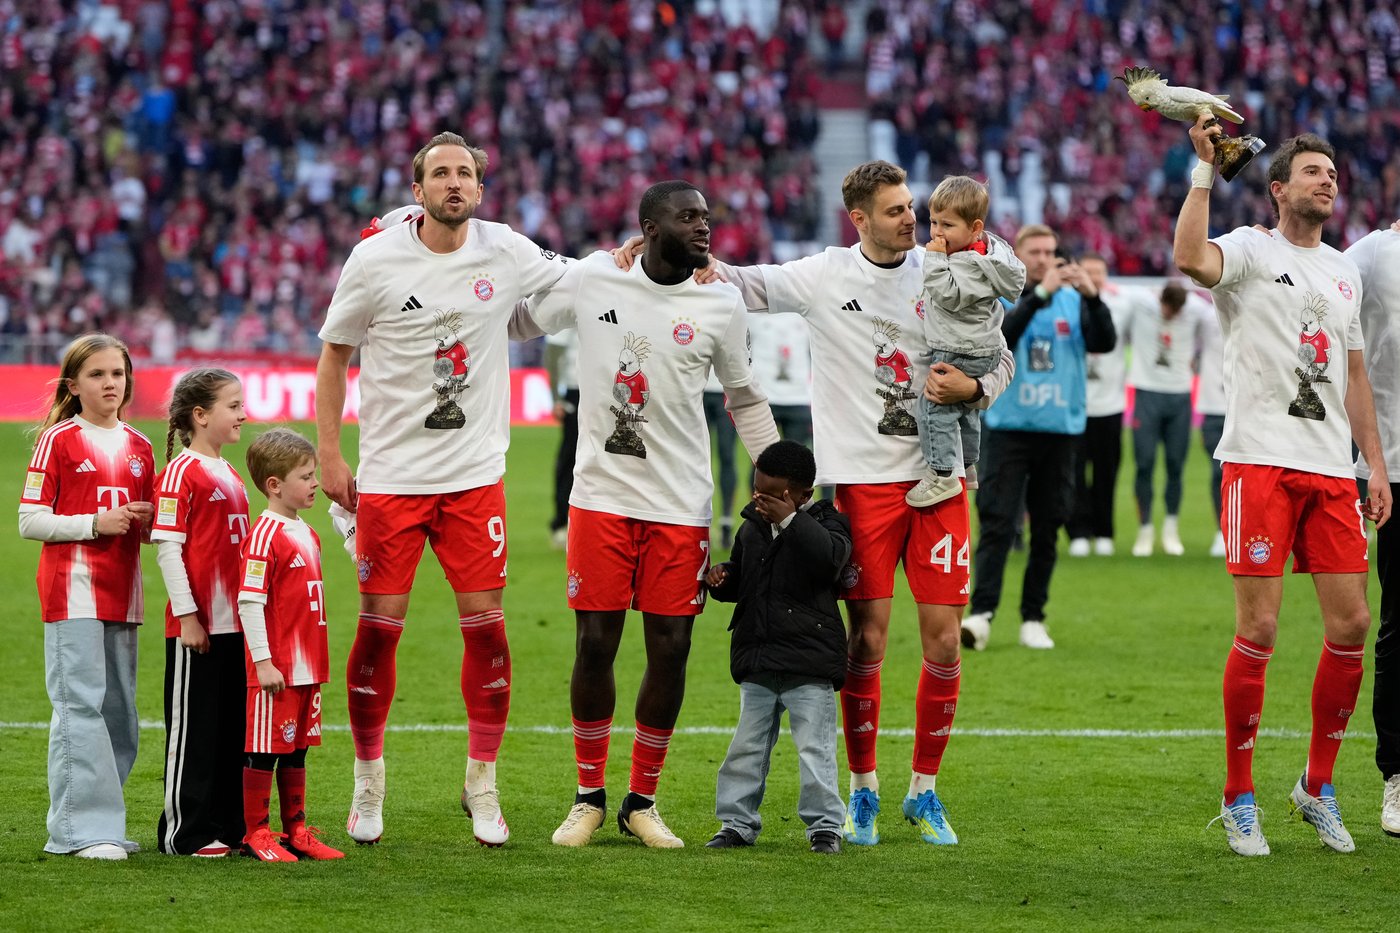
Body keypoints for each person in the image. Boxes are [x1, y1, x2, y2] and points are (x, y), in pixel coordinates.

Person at [686, 160, 1018, 848]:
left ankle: (924, 790)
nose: (911, 219)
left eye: (911, 207)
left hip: (941, 480)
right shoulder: (826, 274)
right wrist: (663, 258)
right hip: (863, 488)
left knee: (944, 639)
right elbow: (738, 280)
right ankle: (862, 789)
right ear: (859, 217)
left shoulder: (946, 271)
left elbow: (999, 355)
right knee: (864, 640)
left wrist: (976, 394)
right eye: (895, 210)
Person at [316, 132, 568, 847]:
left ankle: (481, 784)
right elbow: (334, 355)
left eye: (465, 173)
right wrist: (332, 453)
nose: (454, 182)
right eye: (440, 173)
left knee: (488, 631)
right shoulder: (373, 259)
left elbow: (571, 282)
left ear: (480, 189)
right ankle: (368, 782)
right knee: (376, 632)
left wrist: (625, 264)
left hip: (473, 479)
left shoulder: (506, 248)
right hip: (392, 479)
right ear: (417, 187)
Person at [528, 180, 780, 849]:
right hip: (601, 499)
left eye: (706, 216)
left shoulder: (721, 302)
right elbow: (526, 316)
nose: (704, 226)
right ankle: (587, 796)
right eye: (688, 216)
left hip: (679, 503)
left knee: (671, 647)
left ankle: (642, 800)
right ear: (648, 225)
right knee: (594, 643)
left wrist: (780, 474)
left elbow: (744, 395)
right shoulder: (592, 279)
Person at [1174, 118, 1391, 857]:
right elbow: (1187, 258)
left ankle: (1316, 785)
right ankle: (1239, 795)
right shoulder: (1248, 249)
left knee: (1353, 625)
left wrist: (1376, 463)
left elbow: (1356, 374)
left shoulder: (1343, 271)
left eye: (1332, 173)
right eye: (1312, 172)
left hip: (1332, 469)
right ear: (1278, 189)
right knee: (1260, 629)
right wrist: (1204, 172)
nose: (1327, 180)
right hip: (1259, 461)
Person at [18, 333, 155, 860]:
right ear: (74, 386)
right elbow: (30, 520)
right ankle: (78, 831)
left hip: (125, 594)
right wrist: (93, 522)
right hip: (71, 590)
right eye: (97, 375)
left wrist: (148, 525)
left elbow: (144, 527)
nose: (110, 384)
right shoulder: (59, 440)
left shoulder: (141, 446)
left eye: (117, 374)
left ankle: (104, 821)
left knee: (118, 714)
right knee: (80, 707)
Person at [961, 227, 1116, 652]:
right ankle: (981, 614)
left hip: (1060, 432)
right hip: (1009, 429)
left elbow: (1105, 341)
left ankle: (1033, 616)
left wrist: (1093, 297)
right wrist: (1042, 294)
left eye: (1051, 252)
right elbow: (1004, 338)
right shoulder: (1002, 298)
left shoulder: (1072, 298)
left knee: (1048, 528)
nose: (1046, 259)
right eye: (1036, 252)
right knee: (997, 524)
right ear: (1019, 256)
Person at [703, 440, 851, 854]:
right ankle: (736, 823)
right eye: (757, 490)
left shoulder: (829, 525)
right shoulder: (751, 528)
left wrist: (790, 522)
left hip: (810, 662)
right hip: (759, 655)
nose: (760, 499)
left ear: (802, 495)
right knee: (745, 748)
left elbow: (829, 561)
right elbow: (746, 580)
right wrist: (725, 578)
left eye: (772, 494)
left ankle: (825, 827)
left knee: (814, 750)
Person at [152, 368, 251, 857]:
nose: (242, 414)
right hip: (200, 626)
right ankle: (183, 832)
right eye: (233, 406)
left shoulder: (229, 472)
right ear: (200, 414)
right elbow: (168, 548)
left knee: (231, 728)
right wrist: (188, 616)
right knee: (193, 730)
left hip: (237, 625)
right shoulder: (180, 473)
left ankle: (228, 826)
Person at [236, 427, 343, 862]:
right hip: (276, 669)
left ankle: (296, 829)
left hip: (309, 667)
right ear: (275, 485)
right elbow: (249, 600)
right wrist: (263, 662)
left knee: (297, 749)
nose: (314, 483)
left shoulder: (308, 533)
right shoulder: (264, 535)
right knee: (264, 749)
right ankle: (255, 833)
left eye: (314, 474)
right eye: (306, 476)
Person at [904, 175, 1024, 508]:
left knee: (933, 408)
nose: (937, 232)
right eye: (933, 222)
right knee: (965, 413)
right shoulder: (986, 256)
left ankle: (942, 474)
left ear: (975, 228)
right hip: (980, 350)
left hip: (959, 349)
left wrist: (934, 260)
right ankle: (968, 466)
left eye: (947, 224)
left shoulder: (970, 263)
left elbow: (948, 295)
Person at [1345, 222, 1400, 837]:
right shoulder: (1375, 253)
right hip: (1396, 466)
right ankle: (1397, 773)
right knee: (1398, 623)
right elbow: (1313, 294)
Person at [1066, 255, 1142, 557]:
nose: (1094, 277)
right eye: (1089, 272)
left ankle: (1104, 532)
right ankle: (1077, 533)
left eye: (1099, 272)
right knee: (1073, 473)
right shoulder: (1067, 304)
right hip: (1074, 405)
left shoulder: (1122, 304)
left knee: (1106, 474)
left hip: (1111, 404)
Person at [1125, 282, 1208, 557]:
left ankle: (1171, 529)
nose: (1170, 315)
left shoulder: (1196, 310)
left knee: (1175, 465)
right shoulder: (1140, 301)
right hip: (1146, 393)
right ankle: (1145, 529)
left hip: (1179, 396)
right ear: (1160, 299)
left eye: (1176, 311)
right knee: (1144, 464)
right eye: (1167, 309)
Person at [1196, 296, 1228, 559]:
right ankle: (1221, 532)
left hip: (1249, 409)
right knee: (1219, 473)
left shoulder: (1258, 305)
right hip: (1214, 409)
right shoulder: (1205, 315)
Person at [545, 327, 579, 550]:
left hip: (608, 389)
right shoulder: (572, 297)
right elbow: (553, 354)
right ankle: (561, 523)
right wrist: (556, 398)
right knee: (569, 458)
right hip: (577, 391)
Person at [702, 370, 742, 548]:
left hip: (725, 389)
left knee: (727, 455)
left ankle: (726, 521)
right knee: (698, 456)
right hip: (699, 390)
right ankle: (697, 517)